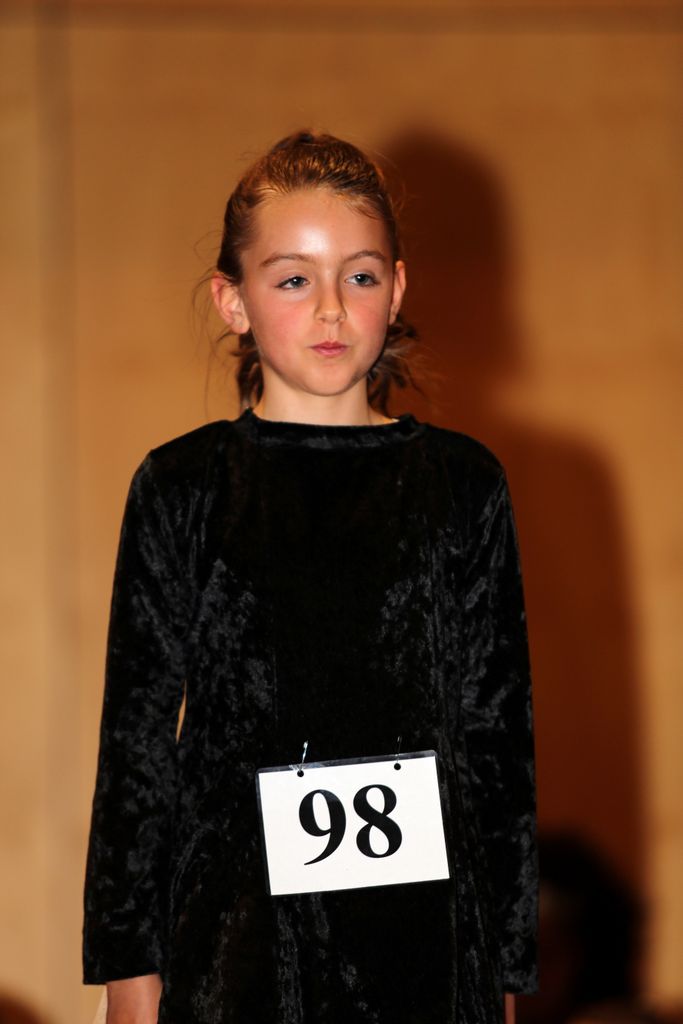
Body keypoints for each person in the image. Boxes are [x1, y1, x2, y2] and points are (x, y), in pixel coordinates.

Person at [82, 131, 538, 1024]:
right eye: (293, 279)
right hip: (237, 947)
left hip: (427, 952)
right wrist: (128, 972)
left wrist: (506, 969)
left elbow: (499, 748)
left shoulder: (463, 484)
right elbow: (134, 747)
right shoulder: (182, 486)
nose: (330, 309)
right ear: (233, 300)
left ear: (395, 290)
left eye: (358, 277)